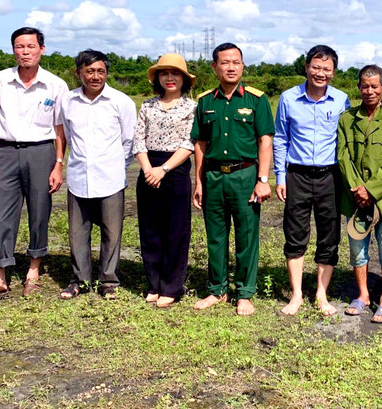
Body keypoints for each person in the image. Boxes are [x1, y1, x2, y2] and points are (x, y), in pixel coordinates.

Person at [0, 27, 68, 303]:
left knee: (40, 212)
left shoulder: (55, 84)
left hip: (41, 152)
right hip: (5, 152)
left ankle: (33, 274)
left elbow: (59, 128)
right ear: (13, 50)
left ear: (42, 49)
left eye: (30, 46)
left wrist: (58, 164)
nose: (25, 52)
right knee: (1, 216)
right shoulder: (0, 81)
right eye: (19, 47)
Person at [192, 43, 273, 316]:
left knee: (246, 235)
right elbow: (200, 144)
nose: (230, 67)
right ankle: (217, 290)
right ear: (214, 67)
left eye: (236, 62)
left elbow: (265, 141)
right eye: (224, 62)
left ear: (242, 66)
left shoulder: (256, 100)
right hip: (214, 176)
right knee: (215, 236)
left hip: (245, 175)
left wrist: (263, 179)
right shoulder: (205, 102)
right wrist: (199, 181)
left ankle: (245, 293)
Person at [274, 45, 350, 316]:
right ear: (306, 67)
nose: (320, 73)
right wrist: (280, 177)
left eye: (327, 69)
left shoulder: (342, 100)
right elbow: (281, 138)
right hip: (297, 175)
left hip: (330, 176)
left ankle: (321, 294)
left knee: (329, 236)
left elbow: (347, 141)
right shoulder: (288, 98)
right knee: (295, 234)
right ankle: (296, 295)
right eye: (316, 67)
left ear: (334, 72)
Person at [58, 50, 136, 300]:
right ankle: (79, 279)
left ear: (106, 73)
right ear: (79, 72)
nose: (95, 76)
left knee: (111, 232)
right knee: (77, 232)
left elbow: (129, 140)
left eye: (100, 71)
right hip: (78, 177)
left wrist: (116, 166)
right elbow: (67, 136)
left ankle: (108, 281)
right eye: (89, 71)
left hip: (110, 178)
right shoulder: (68, 101)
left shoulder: (120, 101)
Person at [337, 65, 382, 323]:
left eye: (374, 86)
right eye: (365, 86)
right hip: (355, 198)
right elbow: (343, 157)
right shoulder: (346, 119)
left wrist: (372, 190)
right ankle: (363, 294)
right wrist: (359, 189)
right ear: (358, 88)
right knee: (358, 251)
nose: (369, 91)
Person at [133, 53, 196, 308]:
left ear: (184, 78)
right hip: (148, 169)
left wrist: (164, 169)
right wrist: (149, 169)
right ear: (157, 78)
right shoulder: (147, 105)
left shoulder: (191, 107)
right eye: (164, 73)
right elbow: (138, 139)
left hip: (176, 170)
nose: (169, 78)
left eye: (175, 73)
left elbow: (189, 142)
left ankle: (172, 286)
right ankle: (154, 283)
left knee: (176, 231)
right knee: (150, 230)